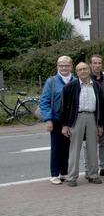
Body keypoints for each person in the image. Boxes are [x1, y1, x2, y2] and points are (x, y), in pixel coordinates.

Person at [61, 62, 104, 186]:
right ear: (76, 72)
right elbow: (63, 107)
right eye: (80, 69)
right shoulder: (70, 87)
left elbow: (100, 106)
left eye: (85, 69)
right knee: (75, 149)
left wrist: (100, 124)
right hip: (77, 118)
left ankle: (93, 175)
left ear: (89, 69)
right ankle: (72, 177)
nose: (83, 71)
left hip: (92, 117)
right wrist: (64, 125)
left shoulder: (96, 86)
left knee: (92, 148)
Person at [39, 56, 74, 185]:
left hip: (70, 121)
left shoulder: (75, 80)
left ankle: (64, 172)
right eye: (61, 65)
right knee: (56, 148)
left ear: (71, 66)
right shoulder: (51, 82)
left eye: (66, 65)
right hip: (56, 120)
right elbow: (44, 101)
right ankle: (54, 174)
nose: (64, 68)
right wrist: (48, 119)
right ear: (57, 67)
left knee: (67, 147)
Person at [88, 54, 104, 176]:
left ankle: (103, 167)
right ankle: (90, 169)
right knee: (90, 143)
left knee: (103, 142)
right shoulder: (86, 79)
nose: (97, 65)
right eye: (95, 63)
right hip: (91, 116)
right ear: (90, 65)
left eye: (99, 63)